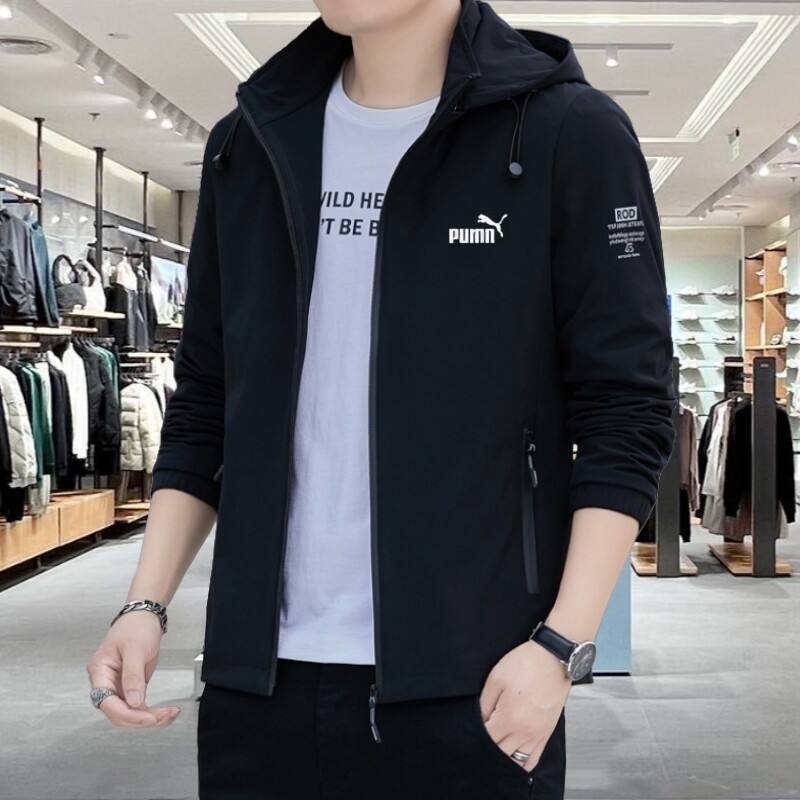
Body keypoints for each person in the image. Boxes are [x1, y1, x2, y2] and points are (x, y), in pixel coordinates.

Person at [86, 0, 677, 797]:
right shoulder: (249, 142)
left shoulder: (568, 133)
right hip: (257, 686)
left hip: (475, 680)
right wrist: (145, 603)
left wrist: (560, 645)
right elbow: (207, 399)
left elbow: (627, 408)